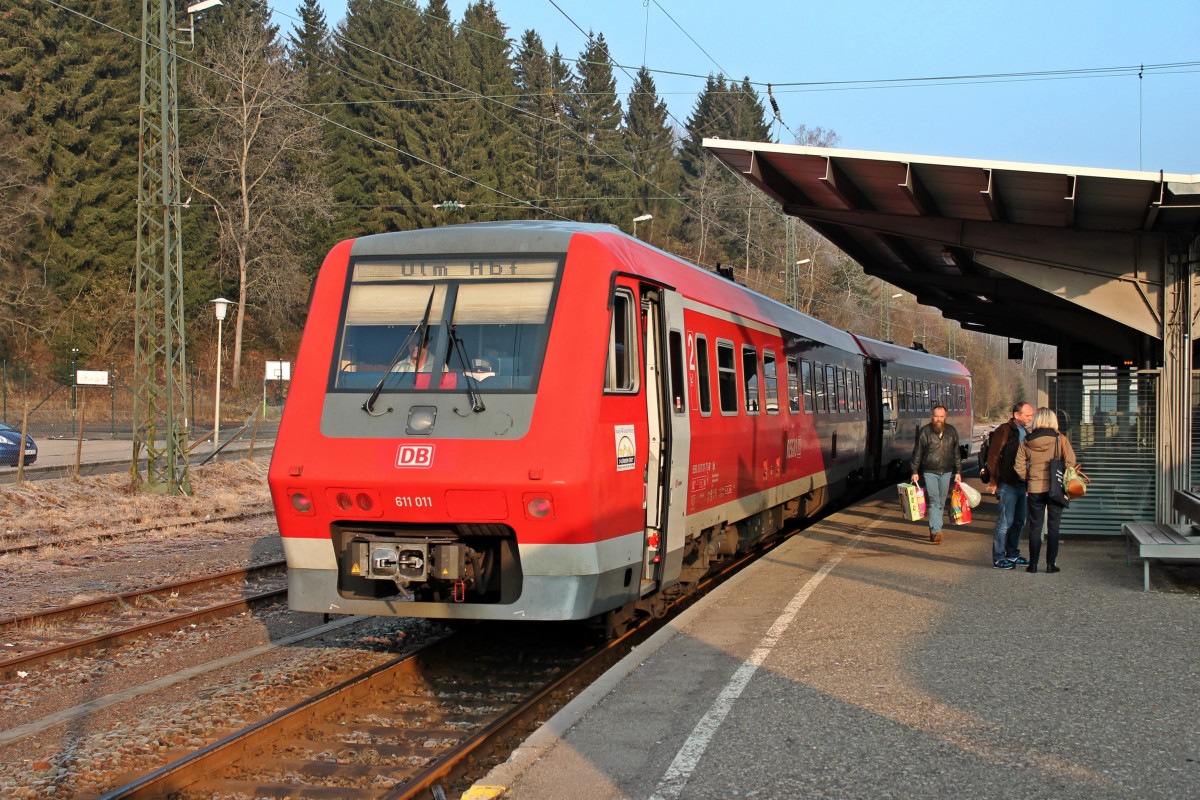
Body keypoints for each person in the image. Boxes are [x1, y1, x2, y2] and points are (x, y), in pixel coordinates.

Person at [1014, 407, 1077, 573]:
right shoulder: (1060, 439)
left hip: (1035, 488)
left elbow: (1018, 465)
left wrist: (1029, 477)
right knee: (1054, 527)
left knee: (1035, 526)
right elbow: (1071, 461)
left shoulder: (1027, 440)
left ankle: (1033, 564)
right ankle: (1050, 564)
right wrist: (1063, 475)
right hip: (1055, 488)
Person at [986, 402, 1035, 570]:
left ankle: (1012, 553)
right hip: (1008, 483)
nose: (1030, 418)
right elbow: (993, 456)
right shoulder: (1004, 430)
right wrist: (994, 480)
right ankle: (999, 557)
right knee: (1005, 521)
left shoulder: (1025, 432)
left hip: (1022, 483)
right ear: (1017, 415)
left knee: (1019, 520)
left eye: (1031, 415)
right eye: (1027, 415)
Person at [910, 405, 962, 545]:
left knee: (941, 501)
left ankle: (935, 527)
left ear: (945, 417)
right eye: (936, 416)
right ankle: (936, 530)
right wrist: (914, 472)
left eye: (941, 416)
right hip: (929, 471)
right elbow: (918, 452)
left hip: (946, 471)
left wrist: (958, 472)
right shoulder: (925, 432)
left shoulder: (951, 431)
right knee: (934, 501)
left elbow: (956, 452)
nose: (938, 419)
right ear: (932, 416)